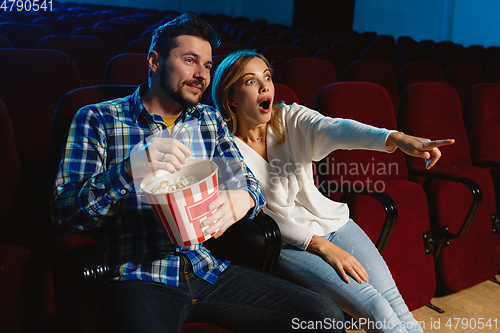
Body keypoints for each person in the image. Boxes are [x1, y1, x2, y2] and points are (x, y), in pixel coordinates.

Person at [51, 13, 345, 333]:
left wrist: (244, 197)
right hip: (139, 275)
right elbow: (65, 214)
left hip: (206, 270)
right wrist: (130, 170)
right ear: (154, 61)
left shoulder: (207, 119)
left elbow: (247, 180)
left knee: (324, 315)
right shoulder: (97, 118)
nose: (201, 75)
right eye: (190, 60)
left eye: (207, 66)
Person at [211, 49, 455, 333]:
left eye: (267, 77)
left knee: (394, 302)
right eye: (251, 81)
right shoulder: (224, 150)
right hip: (285, 242)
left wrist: (395, 139)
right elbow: (257, 214)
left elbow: (336, 129)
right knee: (376, 309)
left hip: (332, 222)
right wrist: (323, 246)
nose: (266, 86)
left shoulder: (289, 117)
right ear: (231, 97)